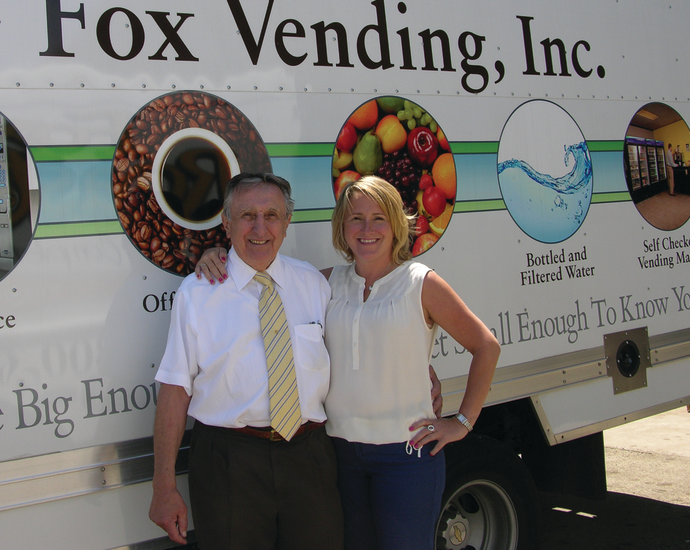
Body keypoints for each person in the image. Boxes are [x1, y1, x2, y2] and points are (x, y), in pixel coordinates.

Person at [196, 176, 499, 550]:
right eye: (356, 218)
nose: (367, 229)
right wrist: (218, 255)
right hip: (340, 455)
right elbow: (263, 277)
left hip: (404, 456)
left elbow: (486, 347)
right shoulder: (325, 283)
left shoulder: (420, 282)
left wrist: (462, 422)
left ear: (396, 224)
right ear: (342, 226)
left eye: (378, 218)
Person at [148, 172, 344, 550]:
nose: (259, 228)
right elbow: (174, 390)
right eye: (246, 216)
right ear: (226, 222)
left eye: (271, 216)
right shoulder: (197, 294)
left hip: (310, 457)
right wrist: (163, 487)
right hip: (228, 463)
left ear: (287, 222)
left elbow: (352, 349)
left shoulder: (313, 284)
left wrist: (422, 370)